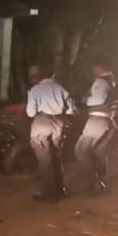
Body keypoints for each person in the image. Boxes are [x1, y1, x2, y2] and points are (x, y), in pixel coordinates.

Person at [26, 64, 76, 202]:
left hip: (42, 123)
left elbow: (30, 113)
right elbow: (71, 110)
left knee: (44, 160)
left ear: (39, 76)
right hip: (59, 124)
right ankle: (61, 189)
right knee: (56, 157)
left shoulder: (36, 90)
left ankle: (49, 194)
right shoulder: (61, 88)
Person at [74, 59, 118, 193]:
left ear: (99, 67)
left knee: (81, 150)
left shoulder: (101, 82)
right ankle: (101, 178)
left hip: (97, 120)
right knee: (99, 151)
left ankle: (94, 182)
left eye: (94, 67)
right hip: (109, 120)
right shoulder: (117, 82)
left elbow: (97, 99)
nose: (92, 70)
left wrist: (83, 100)